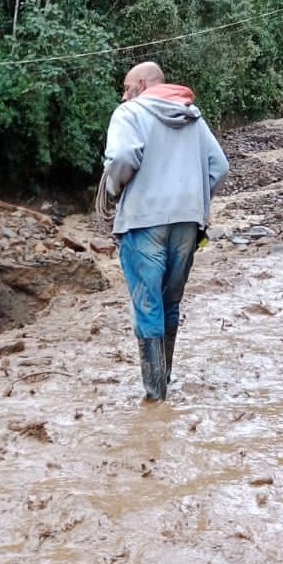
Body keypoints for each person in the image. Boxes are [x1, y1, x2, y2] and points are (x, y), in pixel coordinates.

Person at [102, 61, 229, 401]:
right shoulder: (193, 116)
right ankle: (165, 383)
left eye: (127, 88)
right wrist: (193, 199)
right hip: (188, 222)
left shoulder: (128, 113)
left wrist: (115, 189)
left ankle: (155, 397)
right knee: (170, 303)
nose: (124, 95)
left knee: (148, 305)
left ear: (141, 85)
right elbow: (220, 166)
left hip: (143, 220)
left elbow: (122, 157)